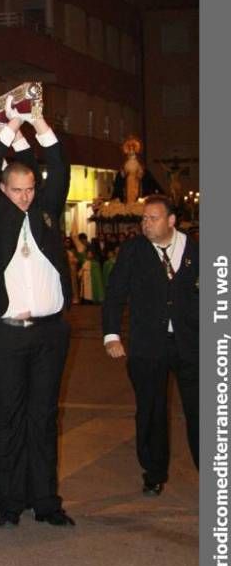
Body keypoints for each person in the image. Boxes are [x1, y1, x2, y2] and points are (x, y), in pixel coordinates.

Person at [0, 102, 74, 528]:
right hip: (5, 334)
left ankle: (46, 501)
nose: (25, 197)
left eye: (30, 189)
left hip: (48, 332)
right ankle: (9, 501)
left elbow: (59, 167)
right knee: (6, 416)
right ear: (3, 190)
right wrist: (9, 126)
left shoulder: (46, 215)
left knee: (44, 417)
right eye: (17, 190)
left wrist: (41, 123)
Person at [102, 194, 199, 495]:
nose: (146, 223)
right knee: (150, 410)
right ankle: (154, 472)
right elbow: (115, 294)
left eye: (153, 218)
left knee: (202, 411)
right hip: (148, 345)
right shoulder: (133, 251)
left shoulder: (197, 249)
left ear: (171, 221)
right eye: (144, 218)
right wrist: (111, 335)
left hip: (192, 345)